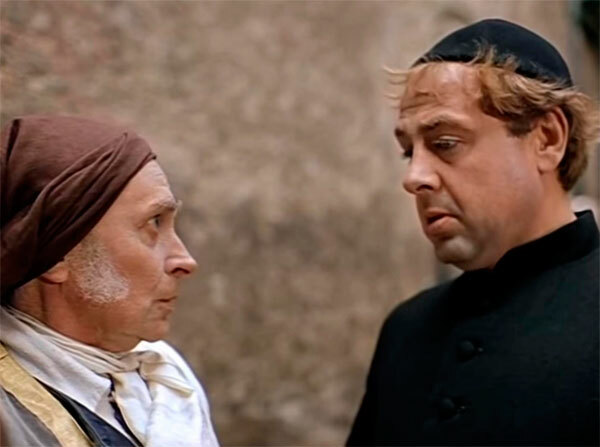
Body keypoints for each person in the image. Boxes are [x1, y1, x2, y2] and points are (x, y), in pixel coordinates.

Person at [347, 18, 599, 446]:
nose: (414, 177)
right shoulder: (406, 329)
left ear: (547, 138)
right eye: (408, 152)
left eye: (445, 143)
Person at [0, 115, 219, 447]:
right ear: (59, 256)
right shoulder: (9, 418)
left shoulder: (164, 376)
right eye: (153, 223)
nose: (185, 261)